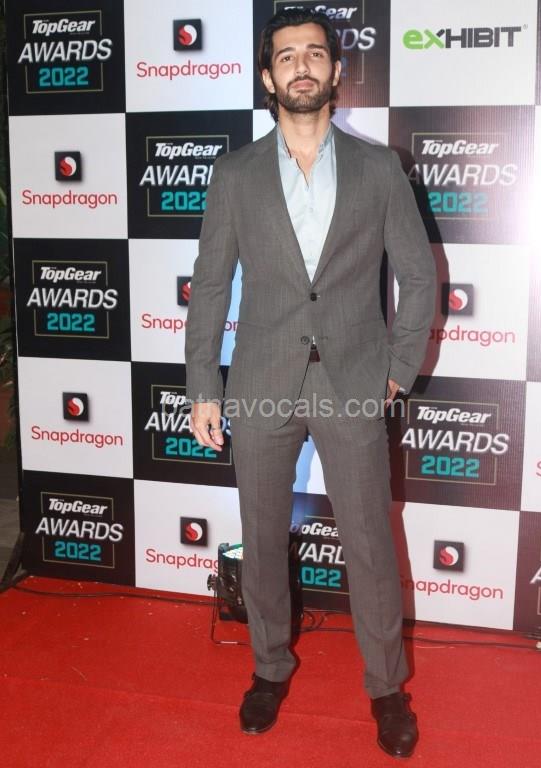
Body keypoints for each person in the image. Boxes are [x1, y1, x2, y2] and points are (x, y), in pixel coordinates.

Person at [185, 8, 435, 759]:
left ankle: (387, 687)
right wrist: (203, 387)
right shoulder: (234, 175)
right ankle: (269, 667)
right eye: (287, 56)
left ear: (336, 72)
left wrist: (397, 370)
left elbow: (419, 278)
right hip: (261, 378)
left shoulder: (379, 169)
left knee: (369, 542)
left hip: (354, 381)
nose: (301, 65)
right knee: (262, 538)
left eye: (315, 54)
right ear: (268, 78)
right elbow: (209, 286)